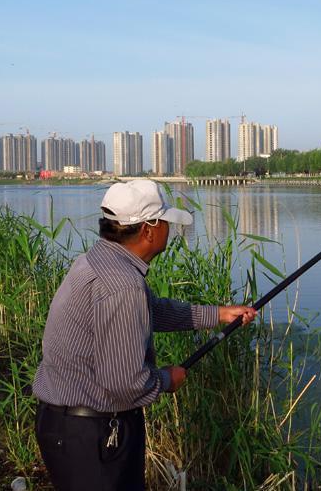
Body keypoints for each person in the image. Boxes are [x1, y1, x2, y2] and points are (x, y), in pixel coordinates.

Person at [32, 179, 256, 490]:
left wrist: (219, 314)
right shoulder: (123, 285)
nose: (169, 229)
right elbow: (125, 384)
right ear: (149, 230)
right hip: (92, 437)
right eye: (164, 221)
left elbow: (152, 310)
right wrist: (167, 380)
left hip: (67, 427)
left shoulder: (98, 261)